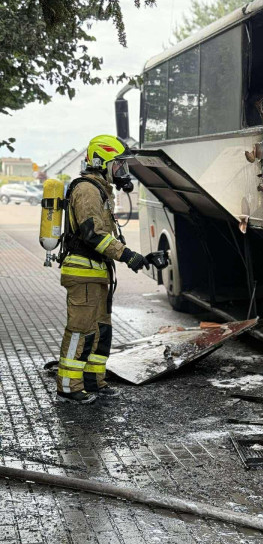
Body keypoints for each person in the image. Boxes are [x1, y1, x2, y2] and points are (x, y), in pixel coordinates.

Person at [57, 135, 148, 404]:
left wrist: (138, 257)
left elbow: (104, 234)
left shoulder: (100, 190)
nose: (122, 171)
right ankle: (68, 388)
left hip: (96, 273)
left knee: (100, 331)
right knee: (80, 331)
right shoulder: (86, 190)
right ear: (101, 162)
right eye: (118, 165)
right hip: (83, 273)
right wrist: (126, 255)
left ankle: (93, 382)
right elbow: (93, 234)